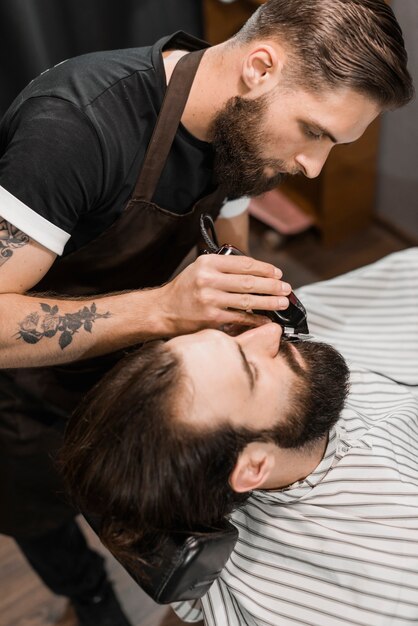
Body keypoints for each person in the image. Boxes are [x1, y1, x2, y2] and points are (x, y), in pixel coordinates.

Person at [0, 0, 413, 623]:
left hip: (164, 377)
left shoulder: (241, 131)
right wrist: (166, 310)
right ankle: (86, 593)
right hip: (32, 395)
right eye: (316, 131)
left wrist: (243, 300)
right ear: (261, 68)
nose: (312, 165)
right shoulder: (74, 131)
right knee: (33, 507)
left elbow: (225, 229)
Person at [62, 247, 418, 625]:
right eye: (250, 371)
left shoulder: (209, 476)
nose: (270, 333)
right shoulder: (389, 575)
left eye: (229, 340)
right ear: (254, 466)